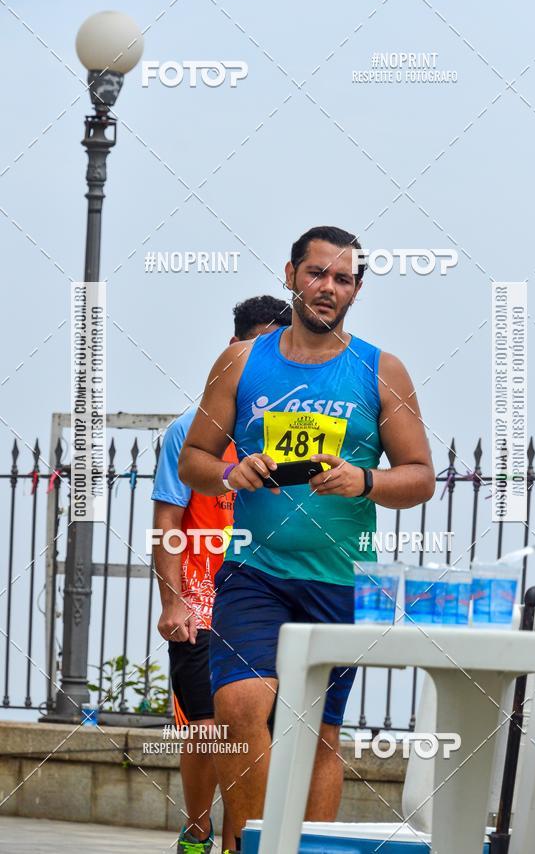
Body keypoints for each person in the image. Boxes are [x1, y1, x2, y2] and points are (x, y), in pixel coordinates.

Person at [179, 225, 436, 851]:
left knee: (318, 732)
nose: (328, 288)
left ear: (356, 291)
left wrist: (365, 480)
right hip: (255, 572)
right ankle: (252, 844)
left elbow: (421, 477)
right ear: (290, 274)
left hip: (338, 580)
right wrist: (231, 472)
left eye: (342, 279)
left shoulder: (381, 370)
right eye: (317, 273)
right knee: (239, 707)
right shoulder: (242, 361)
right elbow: (193, 460)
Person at [151, 295, 292, 854]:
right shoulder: (189, 431)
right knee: (206, 730)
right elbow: (167, 520)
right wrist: (173, 601)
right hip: (202, 604)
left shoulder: (291, 432)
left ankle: (241, 842)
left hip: (267, 604)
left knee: (253, 731)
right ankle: (196, 830)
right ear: (234, 348)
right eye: (257, 347)